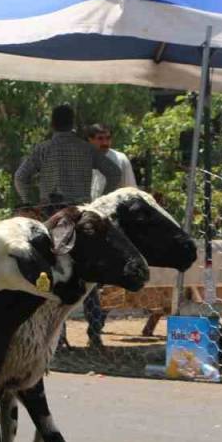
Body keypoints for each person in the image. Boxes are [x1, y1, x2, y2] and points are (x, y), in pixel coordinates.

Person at [81, 123, 138, 348]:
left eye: (107, 138)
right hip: (85, 228)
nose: (105, 143)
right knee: (88, 284)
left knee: (113, 282)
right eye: (99, 138)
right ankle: (93, 331)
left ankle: (96, 326)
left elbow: (131, 192)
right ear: (89, 140)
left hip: (112, 229)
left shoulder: (120, 160)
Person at [14, 105, 122, 217]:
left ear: (52, 125)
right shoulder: (87, 149)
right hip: (80, 213)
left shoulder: (43, 149)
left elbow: (20, 177)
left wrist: (27, 204)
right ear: (73, 124)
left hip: (50, 214)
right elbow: (115, 173)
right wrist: (101, 202)